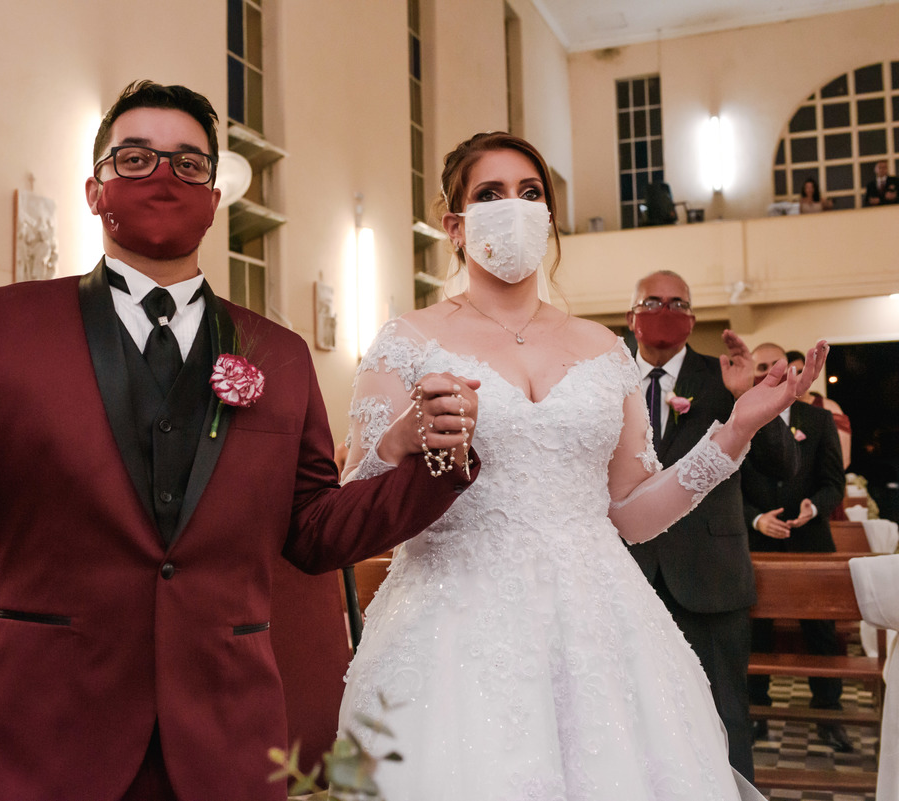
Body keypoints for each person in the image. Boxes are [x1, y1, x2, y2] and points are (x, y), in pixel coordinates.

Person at [0, 80, 482, 801]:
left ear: (213, 201)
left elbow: (316, 531)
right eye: (135, 159)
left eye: (188, 164)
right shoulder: (7, 326)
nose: (164, 177)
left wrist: (433, 463)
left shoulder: (281, 356)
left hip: (223, 735)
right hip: (44, 733)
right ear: (94, 190)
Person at [336, 130, 826, 800]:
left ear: (548, 217)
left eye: (530, 193)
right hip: (453, 625)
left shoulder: (600, 347)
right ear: (455, 225)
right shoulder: (407, 341)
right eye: (490, 194)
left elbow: (631, 514)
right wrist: (402, 438)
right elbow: (353, 505)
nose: (514, 207)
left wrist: (737, 429)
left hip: (601, 627)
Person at [626, 270, 800, 781]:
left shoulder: (726, 376)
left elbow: (783, 467)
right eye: (652, 302)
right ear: (631, 316)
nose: (665, 310)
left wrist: (749, 398)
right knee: (633, 716)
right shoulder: (604, 380)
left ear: (693, 317)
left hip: (711, 576)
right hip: (625, 574)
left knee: (724, 715)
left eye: (677, 302)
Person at [741, 342, 850, 751]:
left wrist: (813, 507)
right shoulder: (741, 417)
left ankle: (829, 713)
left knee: (821, 631)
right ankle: (757, 711)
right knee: (756, 632)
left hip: (810, 541)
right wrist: (756, 518)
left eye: (774, 364)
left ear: (788, 368)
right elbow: (727, 484)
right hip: (758, 542)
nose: (767, 372)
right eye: (760, 366)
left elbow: (833, 482)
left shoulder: (818, 419)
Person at [787, 348, 851, 470]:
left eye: (801, 371)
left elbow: (843, 458)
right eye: (792, 373)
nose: (798, 377)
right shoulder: (782, 410)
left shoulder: (829, 407)